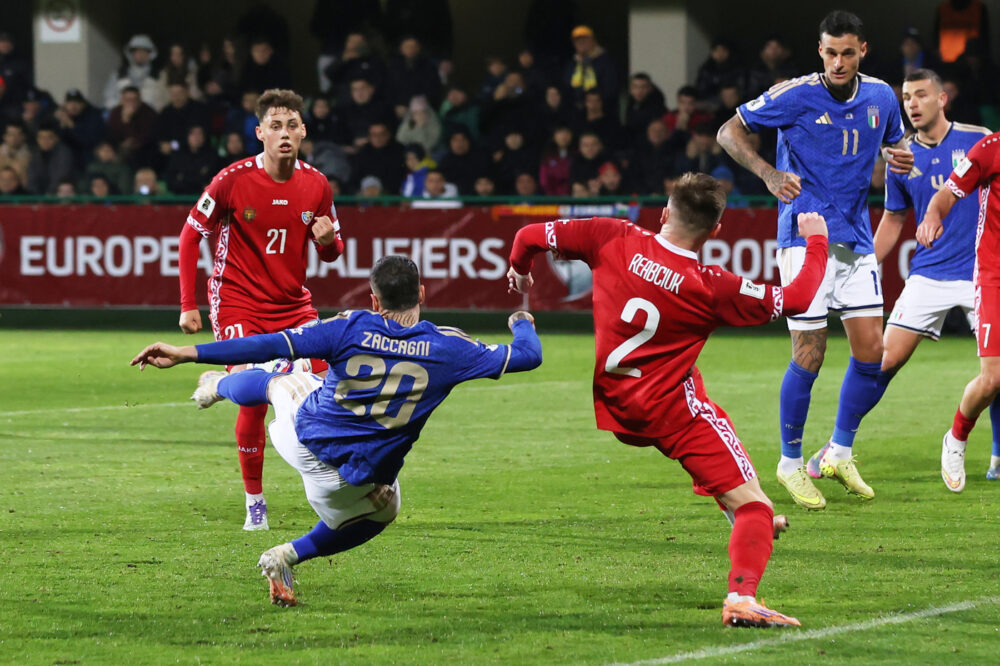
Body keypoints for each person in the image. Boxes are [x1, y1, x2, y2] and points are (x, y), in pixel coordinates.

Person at [507, 172, 829, 628]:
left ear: (664, 212)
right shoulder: (711, 286)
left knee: (703, 398)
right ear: (715, 232)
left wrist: (520, 269)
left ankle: (739, 505)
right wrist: (816, 241)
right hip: (669, 411)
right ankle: (742, 594)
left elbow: (527, 236)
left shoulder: (611, 236)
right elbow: (796, 299)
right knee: (756, 507)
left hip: (616, 403)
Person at [131, 255, 542, 606]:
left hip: (302, 440)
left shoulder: (351, 326)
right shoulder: (450, 348)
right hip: (350, 484)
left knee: (276, 380)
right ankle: (288, 555)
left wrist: (187, 353)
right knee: (387, 507)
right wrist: (521, 320)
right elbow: (528, 355)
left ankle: (216, 386)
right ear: (421, 294)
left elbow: (267, 344)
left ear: (374, 300)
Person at [717, 10, 913, 510]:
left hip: (856, 237)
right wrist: (765, 172)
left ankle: (838, 452)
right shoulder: (796, 93)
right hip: (805, 235)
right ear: (819, 50)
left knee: (872, 352)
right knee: (810, 352)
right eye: (830, 52)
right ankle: (788, 463)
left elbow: (898, 143)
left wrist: (903, 155)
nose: (838, 61)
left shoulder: (882, 96)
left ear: (862, 51)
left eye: (848, 52)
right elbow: (728, 132)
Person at [177, 88, 345, 531]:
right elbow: (190, 235)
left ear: (304, 130)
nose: (284, 133)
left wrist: (329, 242)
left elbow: (331, 252)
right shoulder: (231, 180)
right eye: (275, 126)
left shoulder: (317, 184)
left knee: (328, 384)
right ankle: (256, 504)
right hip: (238, 302)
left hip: (293, 304)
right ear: (260, 134)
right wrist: (187, 304)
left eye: (292, 125)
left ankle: (333, 484)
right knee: (254, 398)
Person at [872, 69, 995, 489]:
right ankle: (839, 444)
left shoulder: (977, 137)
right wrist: (868, 263)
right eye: (906, 97)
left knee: (995, 370)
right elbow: (893, 217)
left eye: (921, 95)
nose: (912, 103)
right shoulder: (901, 155)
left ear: (942, 98)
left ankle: (996, 455)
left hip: (981, 272)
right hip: (929, 272)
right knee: (883, 361)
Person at [915, 125, 1000, 488]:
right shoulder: (991, 147)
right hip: (994, 275)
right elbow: (948, 192)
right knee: (993, 378)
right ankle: (957, 437)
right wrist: (934, 215)